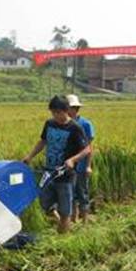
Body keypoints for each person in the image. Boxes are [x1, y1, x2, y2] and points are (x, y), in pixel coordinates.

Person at [22, 95, 90, 233]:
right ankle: (62, 224)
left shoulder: (75, 128)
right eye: (53, 112)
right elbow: (42, 141)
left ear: (66, 111)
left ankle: (63, 238)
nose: (55, 115)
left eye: (58, 112)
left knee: (65, 210)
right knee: (44, 203)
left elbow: (86, 149)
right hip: (48, 172)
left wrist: (72, 160)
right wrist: (30, 156)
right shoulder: (49, 124)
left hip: (65, 175)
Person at [66, 94, 95, 224]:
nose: (68, 110)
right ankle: (73, 220)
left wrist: (88, 165)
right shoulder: (63, 124)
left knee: (82, 193)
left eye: (70, 107)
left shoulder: (85, 124)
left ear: (76, 108)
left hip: (82, 165)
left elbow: (89, 147)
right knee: (70, 194)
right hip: (68, 166)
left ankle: (85, 221)